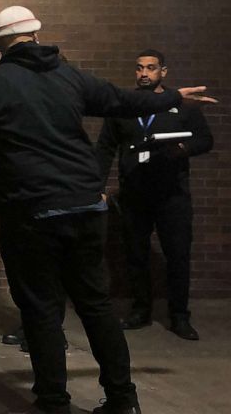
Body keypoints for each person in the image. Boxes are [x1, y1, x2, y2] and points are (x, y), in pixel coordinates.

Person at [0, 6, 217, 414]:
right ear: (37, 36)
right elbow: (121, 100)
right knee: (95, 305)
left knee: (41, 311)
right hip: (84, 205)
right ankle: (122, 399)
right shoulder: (69, 75)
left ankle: (54, 402)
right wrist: (171, 97)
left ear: (0, 43)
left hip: (31, 210)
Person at [96, 49, 214, 340]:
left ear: (164, 72)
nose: (143, 73)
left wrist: (181, 150)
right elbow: (105, 149)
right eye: (139, 68)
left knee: (178, 255)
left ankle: (179, 316)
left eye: (150, 68)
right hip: (134, 194)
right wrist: (96, 186)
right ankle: (140, 311)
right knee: (135, 255)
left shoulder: (182, 105)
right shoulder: (124, 106)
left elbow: (205, 140)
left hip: (172, 195)